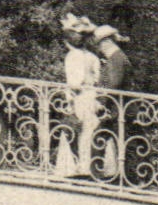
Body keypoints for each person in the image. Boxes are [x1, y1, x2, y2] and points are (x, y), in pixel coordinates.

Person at [55, 14, 100, 177]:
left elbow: (76, 82)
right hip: (91, 95)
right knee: (88, 131)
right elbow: (96, 78)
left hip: (79, 97)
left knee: (75, 129)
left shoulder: (73, 56)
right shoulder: (92, 56)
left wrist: (68, 98)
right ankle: (87, 166)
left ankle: (73, 167)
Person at [92, 24, 130, 177]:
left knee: (123, 143)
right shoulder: (118, 57)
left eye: (100, 44)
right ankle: (97, 173)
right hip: (116, 109)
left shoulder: (116, 58)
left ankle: (98, 174)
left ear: (107, 42)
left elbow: (113, 84)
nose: (100, 49)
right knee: (103, 138)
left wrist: (101, 102)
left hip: (116, 110)